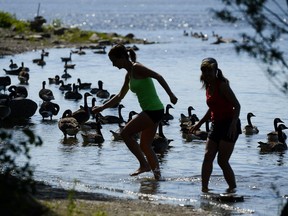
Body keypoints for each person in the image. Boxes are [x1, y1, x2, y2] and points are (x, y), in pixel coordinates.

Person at [92, 44, 178, 180]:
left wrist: (171, 95)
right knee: (145, 145)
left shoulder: (137, 68)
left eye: (114, 61)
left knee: (125, 133)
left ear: (121, 58)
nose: (113, 65)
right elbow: (119, 96)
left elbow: (158, 76)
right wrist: (102, 108)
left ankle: (144, 164)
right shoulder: (129, 74)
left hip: (154, 110)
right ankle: (158, 179)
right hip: (152, 110)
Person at [189, 57, 241, 193]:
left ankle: (232, 190)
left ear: (215, 71)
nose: (207, 74)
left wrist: (233, 124)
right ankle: (204, 189)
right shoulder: (208, 86)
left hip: (230, 124)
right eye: (204, 72)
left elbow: (237, 105)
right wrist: (198, 124)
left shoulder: (222, 85)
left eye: (209, 71)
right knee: (207, 156)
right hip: (216, 124)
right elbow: (212, 108)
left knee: (222, 161)